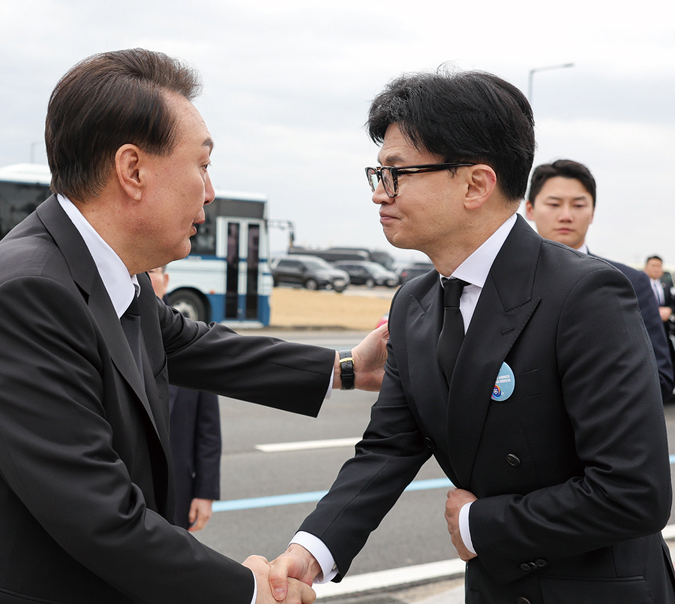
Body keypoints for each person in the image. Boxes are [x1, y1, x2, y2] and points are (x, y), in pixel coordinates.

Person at [0, 49, 388, 604]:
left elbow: (191, 345)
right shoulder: (25, 294)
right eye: (202, 164)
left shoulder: (106, 271)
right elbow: (98, 513)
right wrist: (248, 592)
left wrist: (345, 368)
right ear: (132, 170)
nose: (211, 192)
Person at [269, 70, 675, 604]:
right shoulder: (413, 303)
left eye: (397, 173)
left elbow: (634, 493)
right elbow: (388, 448)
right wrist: (310, 553)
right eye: (377, 173)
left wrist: (479, 525)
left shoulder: (586, 293)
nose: (378, 194)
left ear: (476, 184)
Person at [525, 159, 674, 402]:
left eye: (578, 205)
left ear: (592, 212)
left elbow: (660, 377)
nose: (566, 215)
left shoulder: (628, 281)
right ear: (529, 209)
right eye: (553, 204)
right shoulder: (504, 279)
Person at [149, 265, 221, 532]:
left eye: (153, 272)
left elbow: (208, 430)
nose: (146, 279)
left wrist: (205, 492)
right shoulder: (107, 330)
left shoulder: (191, 340)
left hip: (177, 490)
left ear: (166, 280)